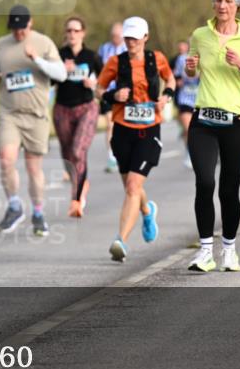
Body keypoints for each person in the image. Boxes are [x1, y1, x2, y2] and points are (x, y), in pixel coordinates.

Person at [183, 0, 240, 273]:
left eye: (228, 1)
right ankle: (205, 251)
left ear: (238, 4)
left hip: (237, 123)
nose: (222, 5)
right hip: (204, 120)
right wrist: (189, 69)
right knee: (204, 183)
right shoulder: (199, 36)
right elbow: (192, 72)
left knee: (228, 191)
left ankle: (229, 251)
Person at [96, 16, 173, 261]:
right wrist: (113, 95)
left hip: (149, 129)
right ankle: (147, 211)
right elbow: (98, 89)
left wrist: (167, 95)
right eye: (128, 37)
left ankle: (121, 242)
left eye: (135, 38)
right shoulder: (115, 62)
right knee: (131, 186)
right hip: (122, 130)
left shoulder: (156, 59)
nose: (131, 42)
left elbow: (170, 79)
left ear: (145, 38)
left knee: (132, 186)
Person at [0, 6, 65, 235]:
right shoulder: (1, 45)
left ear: (30, 23)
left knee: (34, 168)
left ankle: (38, 212)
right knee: (6, 158)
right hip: (9, 113)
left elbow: (61, 74)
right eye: (14, 29)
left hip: (36, 115)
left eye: (21, 28)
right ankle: (14, 205)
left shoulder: (43, 43)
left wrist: (37, 60)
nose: (18, 33)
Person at [53, 17, 102, 218]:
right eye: (69, 31)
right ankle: (81, 182)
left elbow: (106, 83)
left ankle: (77, 199)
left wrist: (94, 84)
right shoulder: (58, 55)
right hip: (62, 108)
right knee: (67, 156)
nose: (72, 34)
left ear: (83, 33)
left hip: (86, 108)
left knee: (78, 150)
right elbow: (47, 81)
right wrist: (61, 72)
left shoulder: (92, 56)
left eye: (76, 30)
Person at [98, 22, 126, 172]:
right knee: (110, 124)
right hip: (108, 93)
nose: (115, 38)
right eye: (113, 35)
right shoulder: (103, 49)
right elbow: (98, 68)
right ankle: (111, 157)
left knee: (122, 125)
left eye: (118, 35)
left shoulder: (128, 48)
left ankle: (124, 153)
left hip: (125, 93)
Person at [172, 40, 200, 169]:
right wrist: (178, 80)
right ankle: (190, 153)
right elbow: (177, 75)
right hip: (185, 98)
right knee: (188, 128)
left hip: (202, 99)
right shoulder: (182, 59)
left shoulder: (206, 58)